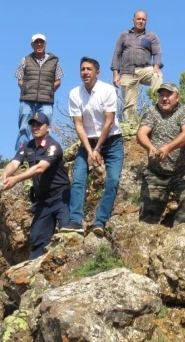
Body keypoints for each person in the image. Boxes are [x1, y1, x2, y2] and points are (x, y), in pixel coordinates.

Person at [63, 57, 124, 236]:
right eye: (82, 69)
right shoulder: (75, 93)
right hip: (87, 142)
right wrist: (90, 151)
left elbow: (109, 122)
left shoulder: (107, 90)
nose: (85, 72)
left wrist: (97, 149)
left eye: (89, 69)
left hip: (112, 141)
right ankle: (75, 221)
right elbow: (78, 125)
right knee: (78, 179)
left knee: (113, 180)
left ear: (97, 73)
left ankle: (100, 222)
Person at [2, 113, 70, 259]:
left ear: (48, 128)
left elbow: (40, 168)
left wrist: (16, 179)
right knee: (38, 240)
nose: (35, 127)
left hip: (61, 198)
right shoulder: (27, 146)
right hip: (42, 201)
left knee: (68, 234)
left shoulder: (53, 146)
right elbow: (14, 162)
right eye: (33, 125)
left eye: (39, 124)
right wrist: (5, 175)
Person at [137, 83, 185, 226]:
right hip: (156, 173)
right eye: (161, 95)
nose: (164, 98)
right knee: (147, 222)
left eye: (169, 95)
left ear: (177, 97)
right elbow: (141, 134)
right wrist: (150, 147)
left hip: (183, 171)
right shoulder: (152, 112)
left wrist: (168, 148)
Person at [110, 10, 164, 123]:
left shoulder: (151, 36)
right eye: (139, 19)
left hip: (145, 69)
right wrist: (115, 74)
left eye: (143, 19)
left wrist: (156, 67)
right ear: (133, 20)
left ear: (146, 21)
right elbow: (117, 54)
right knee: (129, 104)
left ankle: (157, 108)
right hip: (127, 71)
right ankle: (131, 126)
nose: (141, 21)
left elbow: (157, 53)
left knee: (157, 76)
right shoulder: (124, 35)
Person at [14, 33, 64, 152]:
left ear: (45, 44)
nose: (39, 44)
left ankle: (43, 153)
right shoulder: (25, 60)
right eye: (36, 42)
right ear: (32, 45)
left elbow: (58, 81)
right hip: (27, 100)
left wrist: (48, 92)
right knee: (24, 128)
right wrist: (26, 89)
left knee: (44, 127)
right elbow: (19, 80)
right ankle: (22, 154)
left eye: (41, 42)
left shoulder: (54, 61)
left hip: (46, 101)